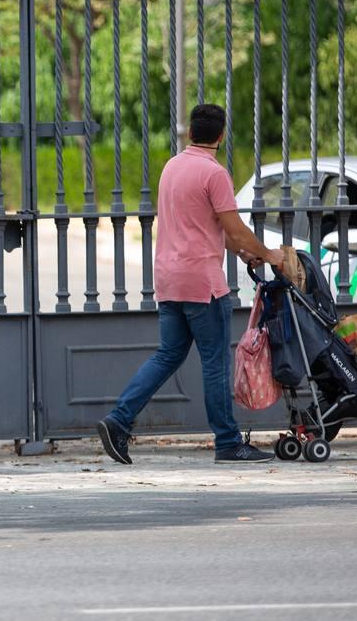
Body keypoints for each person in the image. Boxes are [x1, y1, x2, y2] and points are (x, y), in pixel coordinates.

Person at [97, 104, 286, 465]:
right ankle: (228, 442)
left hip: (169, 280)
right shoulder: (214, 174)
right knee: (214, 363)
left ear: (190, 133)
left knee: (167, 355)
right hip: (203, 285)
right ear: (221, 135)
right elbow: (233, 228)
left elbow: (207, 227)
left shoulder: (172, 167)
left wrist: (245, 254)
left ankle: (119, 420)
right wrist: (269, 254)